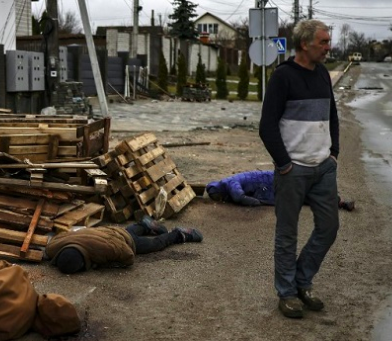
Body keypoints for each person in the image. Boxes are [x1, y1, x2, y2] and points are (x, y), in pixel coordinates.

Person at [258, 19, 340, 319]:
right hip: (293, 170)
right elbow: (267, 127)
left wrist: (334, 154)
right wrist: (284, 164)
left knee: (329, 227)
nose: (328, 47)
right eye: (323, 42)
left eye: (328, 41)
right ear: (305, 44)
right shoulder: (283, 77)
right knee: (287, 234)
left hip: (323, 168)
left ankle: (303, 281)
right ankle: (288, 293)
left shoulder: (322, 75)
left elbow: (332, 115)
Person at [46, 216, 203, 274]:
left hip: (123, 240)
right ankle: (144, 224)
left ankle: (178, 234)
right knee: (128, 230)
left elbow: (128, 256)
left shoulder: (103, 249)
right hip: (108, 230)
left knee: (155, 244)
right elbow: (61, 234)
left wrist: (109, 265)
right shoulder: (54, 246)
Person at [206, 170, 355, 211]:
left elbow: (239, 195)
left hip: (268, 184)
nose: (220, 200)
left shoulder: (229, 182)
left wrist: (252, 201)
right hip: (268, 186)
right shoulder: (229, 184)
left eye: (217, 197)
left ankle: (340, 202)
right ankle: (339, 202)